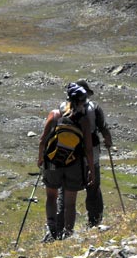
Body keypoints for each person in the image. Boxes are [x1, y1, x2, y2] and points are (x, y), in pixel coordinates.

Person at [38, 83, 95, 242]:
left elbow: (43, 139)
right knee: (70, 203)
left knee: (51, 197)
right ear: (82, 101)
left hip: (52, 162)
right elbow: (88, 149)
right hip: (74, 164)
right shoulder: (83, 121)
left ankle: (52, 230)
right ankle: (68, 234)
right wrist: (92, 170)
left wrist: (40, 158)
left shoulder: (55, 114)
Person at [56, 80, 113, 231]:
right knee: (93, 188)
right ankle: (95, 221)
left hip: (67, 157)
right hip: (91, 156)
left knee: (65, 193)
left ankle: (60, 227)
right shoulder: (94, 109)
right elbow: (104, 128)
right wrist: (108, 141)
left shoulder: (61, 108)